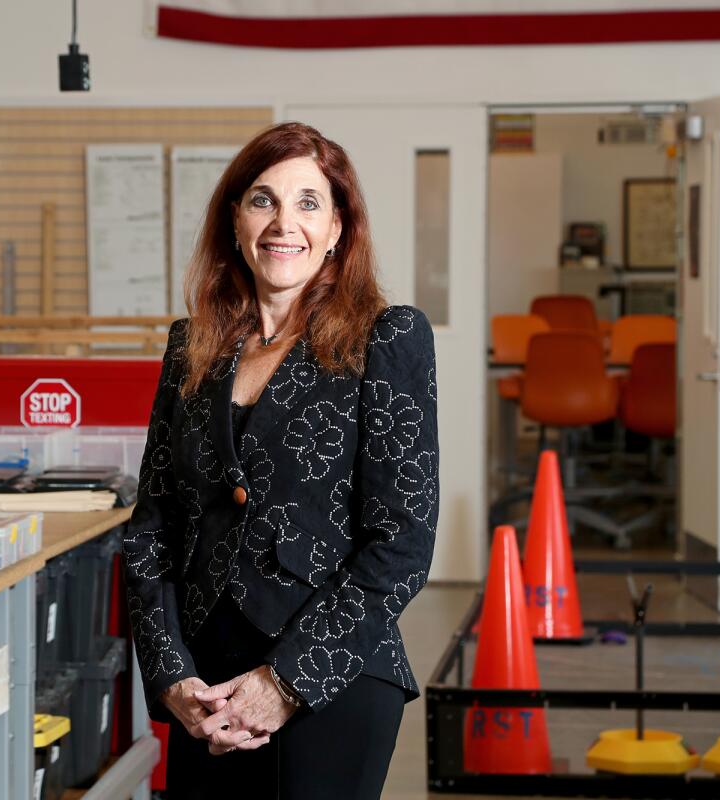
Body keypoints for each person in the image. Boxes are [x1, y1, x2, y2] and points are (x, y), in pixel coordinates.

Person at [123, 121, 438, 799]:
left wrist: (285, 681)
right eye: (262, 200)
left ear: (338, 230)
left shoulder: (388, 337)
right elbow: (151, 529)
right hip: (207, 686)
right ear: (234, 220)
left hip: (335, 677)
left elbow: (402, 543)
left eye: (308, 203)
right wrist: (171, 676)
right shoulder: (191, 348)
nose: (282, 223)